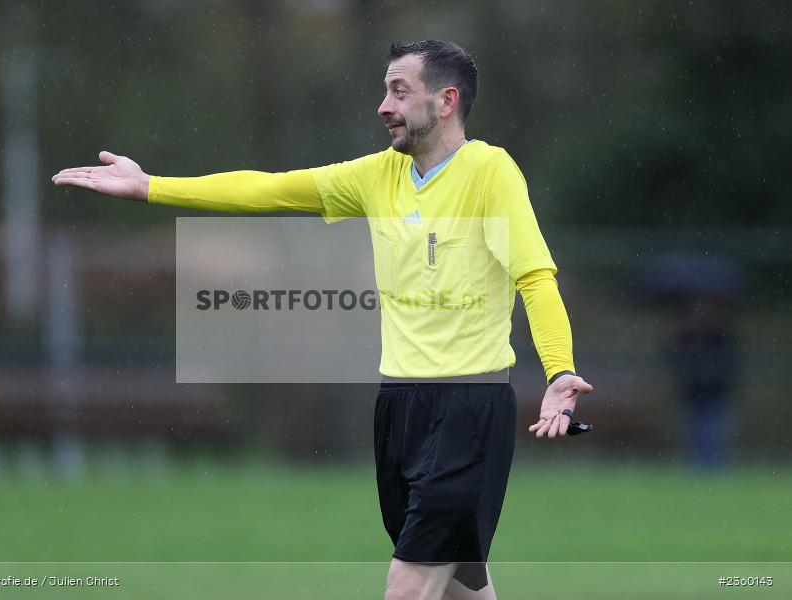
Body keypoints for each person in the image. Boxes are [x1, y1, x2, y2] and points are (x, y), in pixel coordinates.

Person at [53, 39, 593, 600]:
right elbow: (268, 188)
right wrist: (150, 187)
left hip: (468, 408)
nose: (384, 105)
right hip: (399, 409)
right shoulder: (376, 176)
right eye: (385, 90)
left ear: (446, 100)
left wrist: (558, 373)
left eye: (399, 91)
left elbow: (535, 276)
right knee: (459, 586)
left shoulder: (490, 170)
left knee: (407, 588)